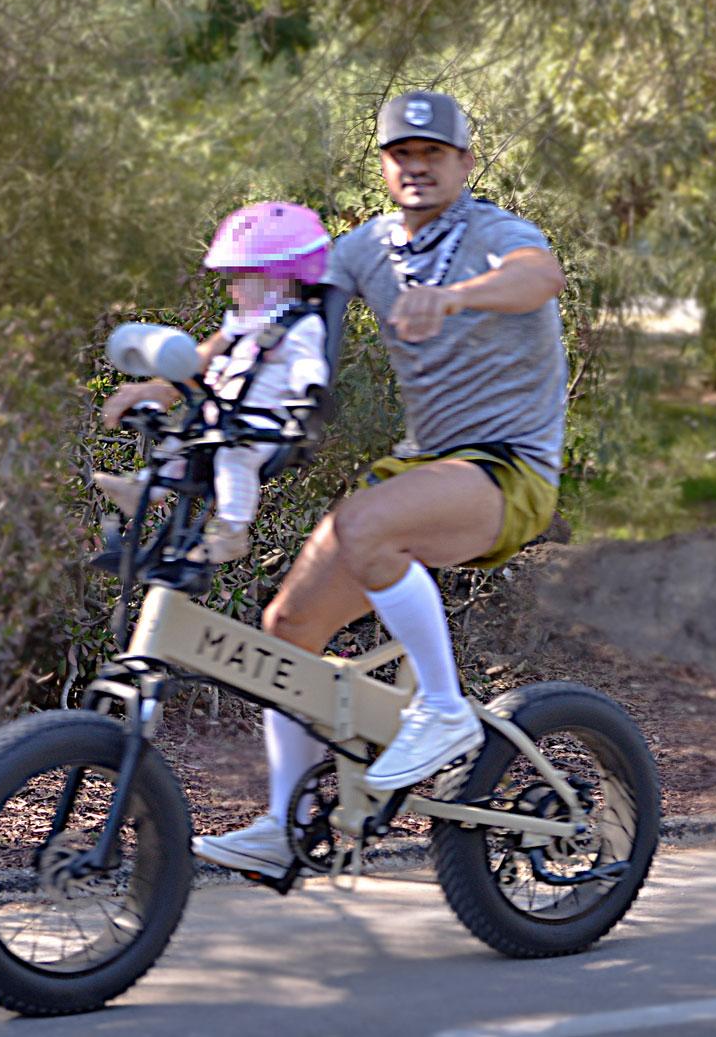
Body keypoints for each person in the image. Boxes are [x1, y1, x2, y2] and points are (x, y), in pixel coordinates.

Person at [104, 91, 568, 879]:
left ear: (464, 163)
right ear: (385, 167)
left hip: (509, 466)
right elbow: (268, 315)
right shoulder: (364, 249)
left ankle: (446, 712)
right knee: (286, 628)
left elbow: (538, 275)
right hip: (425, 466)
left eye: (433, 153)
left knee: (365, 522)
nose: (416, 165)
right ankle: (289, 821)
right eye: (401, 154)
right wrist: (178, 383)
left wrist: (454, 295)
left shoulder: (495, 234)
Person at [94, 202, 331, 563]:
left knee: (234, 458)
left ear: (277, 279)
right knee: (182, 440)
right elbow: (208, 353)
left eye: (241, 278)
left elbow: (308, 364)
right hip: (223, 414)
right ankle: (144, 488)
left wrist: (309, 395)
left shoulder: (302, 326)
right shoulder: (244, 323)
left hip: (259, 424)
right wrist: (164, 383)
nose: (233, 289)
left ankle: (232, 530)